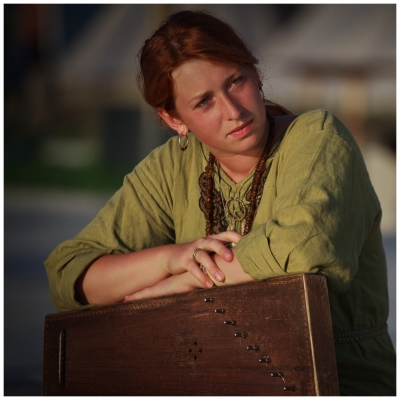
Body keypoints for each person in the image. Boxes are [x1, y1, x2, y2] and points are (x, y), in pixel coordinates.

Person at [44, 10, 395, 395]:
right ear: (174, 119)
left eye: (236, 81)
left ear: (256, 74)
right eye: (203, 102)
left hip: (339, 382)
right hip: (208, 381)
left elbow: (306, 245)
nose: (233, 111)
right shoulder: (170, 168)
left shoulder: (318, 137)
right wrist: (170, 259)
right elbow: (69, 277)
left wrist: (187, 280)